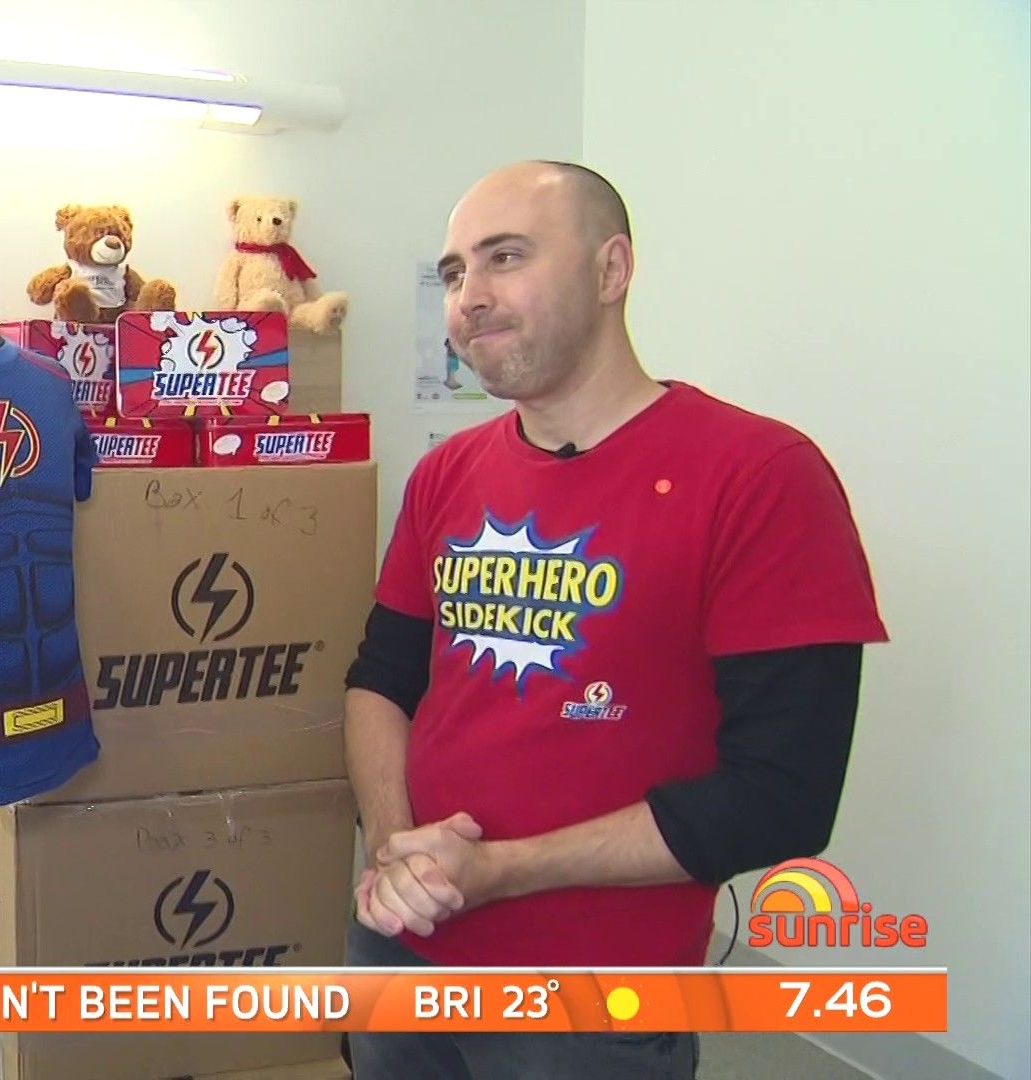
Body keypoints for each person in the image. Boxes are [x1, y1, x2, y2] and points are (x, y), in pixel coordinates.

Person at [341, 161, 887, 1079]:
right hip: (403, 954)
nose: (469, 298)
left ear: (611, 270)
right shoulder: (447, 473)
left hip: (593, 1004)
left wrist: (501, 870)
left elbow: (781, 797)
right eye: (454, 273)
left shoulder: (762, 476)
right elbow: (381, 682)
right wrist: (400, 856)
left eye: (505, 257)